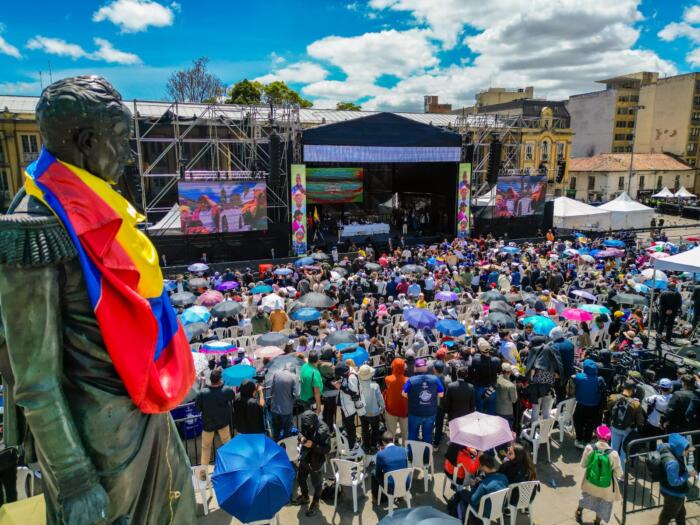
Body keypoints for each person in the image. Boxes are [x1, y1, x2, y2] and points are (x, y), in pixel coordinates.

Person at [575, 425, 623, 525]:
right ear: (609, 438)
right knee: (604, 504)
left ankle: (579, 512)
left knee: (586, 497)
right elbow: (619, 473)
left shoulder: (589, 448)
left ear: (597, 435)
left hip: (590, 481)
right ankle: (597, 521)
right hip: (606, 486)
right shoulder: (613, 454)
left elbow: (583, 465)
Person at [292, 410, 331, 517]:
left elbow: (327, 449)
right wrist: (302, 438)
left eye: (307, 425)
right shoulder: (306, 423)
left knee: (317, 484)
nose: (306, 426)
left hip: (316, 461)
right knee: (300, 478)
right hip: (305, 457)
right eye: (304, 424)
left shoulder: (323, 430)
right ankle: (305, 496)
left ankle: (315, 502)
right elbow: (300, 432)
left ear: (314, 421)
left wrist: (313, 445)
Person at [195, 369, 235, 471]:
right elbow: (232, 395)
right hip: (223, 424)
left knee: (206, 448)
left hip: (208, 425)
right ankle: (230, 466)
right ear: (220, 380)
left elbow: (197, 408)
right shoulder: (226, 390)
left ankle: (203, 472)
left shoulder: (202, 393)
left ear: (210, 379)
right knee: (227, 445)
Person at [656, 433, 694, 525]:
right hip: (674, 494)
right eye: (686, 450)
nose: (688, 452)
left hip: (667, 489)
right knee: (666, 516)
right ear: (679, 448)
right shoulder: (673, 463)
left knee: (680, 514)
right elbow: (674, 482)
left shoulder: (664, 447)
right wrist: (687, 475)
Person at [525, 335, 562, 424]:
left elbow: (530, 374)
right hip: (549, 389)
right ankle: (545, 433)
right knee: (546, 412)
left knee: (535, 411)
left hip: (537, 390)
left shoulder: (535, 355)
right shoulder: (551, 353)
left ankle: (533, 432)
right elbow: (557, 375)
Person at [607, 379, 644, 465]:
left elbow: (609, 409)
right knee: (624, 453)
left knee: (613, 449)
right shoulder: (635, 403)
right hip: (627, 430)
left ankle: (611, 470)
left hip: (615, 427)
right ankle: (622, 475)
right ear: (633, 390)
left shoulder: (613, 397)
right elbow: (640, 421)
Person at [402, 368, 445, 443]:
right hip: (430, 412)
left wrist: (411, 397)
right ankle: (427, 454)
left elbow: (403, 393)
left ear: (415, 369)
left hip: (415, 413)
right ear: (426, 368)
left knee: (412, 434)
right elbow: (441, 395)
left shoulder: (411, 380)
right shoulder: (435, 379)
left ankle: (411, 453)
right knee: (428, 435)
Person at [572, 359, 606, 448]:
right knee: (590, 423)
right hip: (594, 406)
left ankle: (579, 439)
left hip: (581, 405)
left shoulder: (580, 377)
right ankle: (587, 441)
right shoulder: (600, 379)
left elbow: (574, 379)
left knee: (578, 421)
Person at [372, 432, 409, 504]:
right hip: (406, 484)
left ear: (383, 442)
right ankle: (400, 496)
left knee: (373, 473)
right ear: (393, 440)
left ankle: (375, 498)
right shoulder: (404, 450)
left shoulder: (380, 454)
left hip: (391, 488)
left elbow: (378, 473)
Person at [469, 338, 501, 415]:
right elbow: (499, 371)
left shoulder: (475, 360)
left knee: (480, 410)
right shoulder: (496, 360)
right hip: (492, 388)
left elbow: (471, 372)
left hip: (479, 387)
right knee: (491, 411)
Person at [337, 362, 364, 449]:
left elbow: (353, 393)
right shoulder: (347, 374)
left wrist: (340, 386)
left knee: (350, 427)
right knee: (349, 426)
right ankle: (351, 442)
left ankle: (352, 445)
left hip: (350, 407)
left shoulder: (351, 377)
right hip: (346, 407)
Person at [359, 364, 385, 453]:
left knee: (364, 428)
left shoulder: (358, 385)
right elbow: (380, 399)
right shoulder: (375, 385)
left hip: (363, 412)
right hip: (374, 412)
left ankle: (366, 446)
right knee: (375, 429)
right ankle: (374, 445)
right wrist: (382, 408)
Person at [269, 363, 299, 440]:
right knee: (287, 432)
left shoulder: (276, 374)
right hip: (287, 410)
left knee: (276, 431)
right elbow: (296, 394)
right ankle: (286, 449)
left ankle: (276, 447)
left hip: (275, 408)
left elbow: (271, 391)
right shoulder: (294, 377)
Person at [384, 358, 409, 445]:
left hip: (391, 409)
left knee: (391, 432)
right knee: (405, 433)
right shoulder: (408, 380)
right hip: (405, 409)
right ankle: (405, 450)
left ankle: (392, 448)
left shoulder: (388, 379)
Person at [642, 378, 673, 449]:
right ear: (670, 388)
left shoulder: (655, 397)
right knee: (666, 441)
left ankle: (652, 455)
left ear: (660, 388)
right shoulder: (673, 397)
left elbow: (646, 400)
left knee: (652, 441)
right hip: (666, 423)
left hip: (654, 421)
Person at [496, 363, 518, 429]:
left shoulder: (497, 378)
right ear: (510, 372)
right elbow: (514, 400)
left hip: (497, 409)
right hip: (507, 412)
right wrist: (515, 387)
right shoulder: (511, 386)